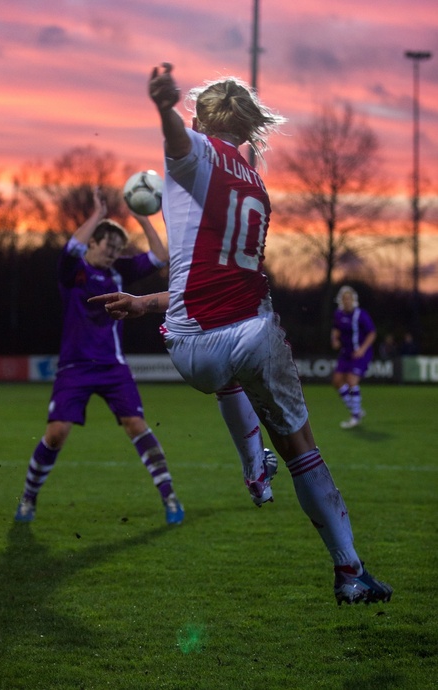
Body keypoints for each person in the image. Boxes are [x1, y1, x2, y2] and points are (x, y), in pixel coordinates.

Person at [90, 63, 392, 606]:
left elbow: (179, 146)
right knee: (302, 449)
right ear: (245, 126)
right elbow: (218, 273)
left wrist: (162, 108)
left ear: (203, 122)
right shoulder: (255, 184)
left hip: (186, 344)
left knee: (225, 360)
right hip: (250, 335)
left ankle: (254, 468)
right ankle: (349, 571)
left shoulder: (197, 152)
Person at [14, 187, 184, 526]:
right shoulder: (72, 271)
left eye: (118, 249)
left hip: (112, 367)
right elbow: (72, 247)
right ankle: (28, 499)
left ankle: (170, 497)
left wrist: (141, 217)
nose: (113, 253)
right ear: (93, 243)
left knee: (136, 424)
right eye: (108, 247)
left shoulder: (118, 273)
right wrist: (96, 214)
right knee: (57, 432)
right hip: (74, 367)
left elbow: (160, 256)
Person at [331, 286, 376, 429]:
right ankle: (357, 410)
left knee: (351, 380)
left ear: (354, 300)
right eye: (344, 299)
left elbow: (372, 333)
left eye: (349, 298)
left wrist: (362, 349)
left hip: (360, 353)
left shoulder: (360, 314)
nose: (347, 301)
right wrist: (335, 340)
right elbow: (336, 329)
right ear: (341, 301)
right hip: (346, 353)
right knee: (337, 381)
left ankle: (355, 417)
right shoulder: (338, 314)